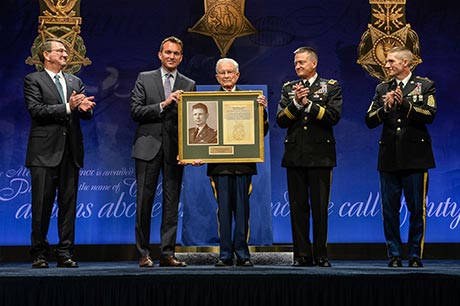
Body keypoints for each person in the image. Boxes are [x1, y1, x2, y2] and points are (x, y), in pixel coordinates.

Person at [24, 38, 96, 268]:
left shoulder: (75, 80)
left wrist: (85, 109)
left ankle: (65, 253)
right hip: (44, 152)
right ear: (46, 55)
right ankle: (39, 253)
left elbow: (83, 112)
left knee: (68, 205)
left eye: (66, 51)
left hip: (70, 152)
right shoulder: (33, 80)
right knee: (41, 204)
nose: (66, 54)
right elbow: (36, 111)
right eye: (61, 51)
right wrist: (68, 107)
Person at [365, 46, 436, 268]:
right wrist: (385, 108)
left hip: (416, 157)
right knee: (389, 210)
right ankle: (394, 254)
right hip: (388, 158)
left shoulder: (424, 85)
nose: (387, 65)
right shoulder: (381, 88)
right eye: (387, 61)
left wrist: (404, 104)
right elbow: (369, 120)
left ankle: (415, 255)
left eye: (391, 61)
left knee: (417, 209)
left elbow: (429, 115)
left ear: (406, 63)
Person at [131, 36, 196, 268]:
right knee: (144, 203)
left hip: (175, 152)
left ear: (181, 57)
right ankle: (143, 253)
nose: (171, 56)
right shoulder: (144, 78)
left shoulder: (189, 83)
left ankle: (167, 254)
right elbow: (136, 111)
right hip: (148, 148)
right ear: (160, 55)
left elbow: (192, 122)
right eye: (167, 52)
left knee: (171, 204)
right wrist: (164, 104)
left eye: (176, 53)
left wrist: (190, 149)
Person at [276, 47, 342, 267]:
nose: (297, 66)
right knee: (298, 208)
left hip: (320, 156)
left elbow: (333, 117)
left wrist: (309, 105)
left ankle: (320, 254)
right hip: (295, 155)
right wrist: (295, 103)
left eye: (302, 62)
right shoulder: (288, 89)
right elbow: (281, 120)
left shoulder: (330, 87)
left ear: (314, 63)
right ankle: (302, 255)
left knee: (320, 208)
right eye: (295, 63)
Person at [207, 58, 269, 267]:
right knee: (223, 212)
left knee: (242, 211)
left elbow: (263, 131)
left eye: (230, 72)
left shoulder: (251, 100)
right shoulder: (209, 103)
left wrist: (262, 112)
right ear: (217, 77)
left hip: (244, 164)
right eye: (222, 73)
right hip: (219, 166)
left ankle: (243, 254)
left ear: (237, 75)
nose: (226, 76)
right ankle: (225, 254)